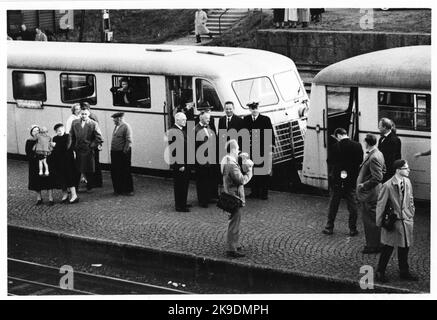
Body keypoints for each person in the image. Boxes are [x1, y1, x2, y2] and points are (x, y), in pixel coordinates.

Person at [375, 160, 418, 283]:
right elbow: (380, 205)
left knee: (405, 247)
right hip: (394, 222)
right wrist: (379, 222)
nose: (408, 170)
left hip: (406, 220)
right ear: (398, 170)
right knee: (388, 247)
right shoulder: (388, 185)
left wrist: (411, 212)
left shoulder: (407, 182)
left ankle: (404, 271)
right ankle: (380, 271)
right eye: (406, 168)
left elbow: (410, 198)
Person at [322, 128, 363, 236]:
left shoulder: (335, 147)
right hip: (351, 180)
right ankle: (352, 229)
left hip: (337, 180)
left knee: (333, 204)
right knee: (352, 205)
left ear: (339, 135)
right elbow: (360, 160)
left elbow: (329, 161)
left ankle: (329, 227)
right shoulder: (357, 145)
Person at [221, 139, 253, 258]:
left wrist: (243, 157)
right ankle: (231, 249)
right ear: (233, 150)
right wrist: (250, 171)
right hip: (235, 197)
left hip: (230, 195)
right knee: (234, 223)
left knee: (235, 221)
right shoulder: (231, 165)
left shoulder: (227, 160)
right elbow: (241, 180)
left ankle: (234, 244)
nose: (239, 150)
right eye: (238, 148)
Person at [356, 134, 386, 254]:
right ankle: (376, 243)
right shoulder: (379, 153)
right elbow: (384, 170)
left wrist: (364, 185)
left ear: (366, 143)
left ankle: (373, 246)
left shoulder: (373, 157)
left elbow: (378, 177)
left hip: (370, 194)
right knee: (373, 219)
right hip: (373, 193)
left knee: (370, 221)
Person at [243, 102, 275, 200]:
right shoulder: (247, 119)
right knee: (252, 170)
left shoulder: (265, 119)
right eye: (252, 108)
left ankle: (264, 193)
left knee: (264, 172)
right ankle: (255, 192)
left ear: (259, 108)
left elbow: (270, 134)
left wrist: (271, 148)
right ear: (249, 109)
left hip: (263, 150)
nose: (254, 110)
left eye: (256, 108)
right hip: (251, 150)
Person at [69, 104, 103, 192]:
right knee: (77, 170)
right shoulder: (75, 123)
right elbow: (71, 135)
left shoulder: (93, 124)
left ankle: (90, 186)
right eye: (82, 114)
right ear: (80, 114)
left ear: (88, 114)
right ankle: (75, 187)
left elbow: (99, 138)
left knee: (88, 169)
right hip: (78, 149)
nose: (84, 116)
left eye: (85, 114)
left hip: (88, 150)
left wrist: (91, 145)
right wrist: (72, 146)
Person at [25, 125, 56, 205]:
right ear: (31, 132)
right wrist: (36, 156)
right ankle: (39, 198)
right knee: (36, 182)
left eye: (37, 131)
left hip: (45, 161)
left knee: (48, 181)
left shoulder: (45, 139)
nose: (36, 132)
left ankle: (50, 198)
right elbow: (28, 153)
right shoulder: (29, 141)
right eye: (34, 131)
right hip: (34, 164)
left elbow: (50, 149)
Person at [194, 110, 218, 207]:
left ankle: (208, 197)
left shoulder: (208, 127)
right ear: (201, 118)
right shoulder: (195, 130)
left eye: (209, 118)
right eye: (207, 118)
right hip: (201, 159)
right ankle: (202, 200)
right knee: (202, 180)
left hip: (210, 158)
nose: (209, 120)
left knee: (208, 178)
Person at [51, 123, 79, 204]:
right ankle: (65, 195)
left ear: (63, 129)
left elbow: (67, 147)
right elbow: (55, 150)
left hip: (68, 161)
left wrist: (56, 146)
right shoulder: (55, 138)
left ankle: (74, 195)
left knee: (70, 177)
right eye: (57, 131)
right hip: (59, 161)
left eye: (60, 130)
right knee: (61, 178)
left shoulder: (68, 136)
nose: (59, 132)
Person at [168, 112, 191, 212]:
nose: (185, 121)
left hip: (184, 162)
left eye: (185, 119)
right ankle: (180, 205)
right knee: (180, 184)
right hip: (180, 163)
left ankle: (183, 202)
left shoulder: (180, 130)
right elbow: (175, 150)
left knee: (184, 183)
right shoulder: (174, 131)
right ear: (177, 120)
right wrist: (180, 164)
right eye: (183, 120)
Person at [110, 112, 134, 196]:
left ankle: (128, 190)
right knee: (116, 171)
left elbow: (129, 140)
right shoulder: (117, 126)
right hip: (115, 152)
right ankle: (118, 189)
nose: (113, 120)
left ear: (119, 119)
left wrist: (124, 152)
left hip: (122, 153)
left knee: (125, 170)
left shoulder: (125, 126)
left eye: (114, 119)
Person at [378, 118, 401, 182]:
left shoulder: (394, 140)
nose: (378, 128)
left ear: (385, 127)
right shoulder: (381, 139)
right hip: (382, 169)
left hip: (389, 171)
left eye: (380, 126)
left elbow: (394, 157)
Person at [86, 102, 103, 189]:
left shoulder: (91, 117)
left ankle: (96, 182)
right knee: (95, 163)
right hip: (94, 143)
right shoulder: (93, 116)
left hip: (92, 144)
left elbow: (95, 133)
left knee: (94, 163)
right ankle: (97, 182)